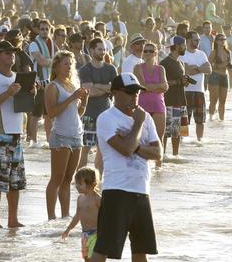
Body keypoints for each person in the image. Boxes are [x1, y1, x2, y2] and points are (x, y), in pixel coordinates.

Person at [92, 73, 162, 261]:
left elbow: (158, 154)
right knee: (104, 248)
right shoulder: (107, 118)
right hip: (117, 190)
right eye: (130, 91)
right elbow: (124, 149)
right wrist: (137, 125)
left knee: (141, 249)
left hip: (141, 190)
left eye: (137, 92)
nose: (135, 96)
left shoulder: (146, 117)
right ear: (115, 93)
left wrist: (136, 145)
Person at [0, 40, 28, 228]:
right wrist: (8, 93)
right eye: (7, 52)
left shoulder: (18, 76)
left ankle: (12, 218)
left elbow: (24, 108)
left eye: (13, 52)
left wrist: (28, 94)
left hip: (16, 131)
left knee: (15, 180)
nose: (12, 55)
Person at [45, 51, 89, 220]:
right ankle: (51, 216)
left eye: (71, 63)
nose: (69, 66)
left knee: (69, 179)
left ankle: (65, 215)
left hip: (76, 134)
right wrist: (72, 98)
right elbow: (51, 112)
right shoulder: (52, 87)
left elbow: (79, 113)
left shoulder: (73, 85)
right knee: (57, 177)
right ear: (56, 66)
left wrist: (84, 101)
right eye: (65, 63)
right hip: (61, 135)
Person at [78, 38, 117, 171]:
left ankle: (98, 183)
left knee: (102, 150)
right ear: (92, 50)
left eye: (104, 49)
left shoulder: (111, 69)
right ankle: (79, 180)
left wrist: (98, 85)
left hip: (106, 114)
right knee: (85, 149)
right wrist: (106, 88)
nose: (103, 52)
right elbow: (90, 92)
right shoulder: (85, 70)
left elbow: (115, 90)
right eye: (100, 49)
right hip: (88, 114)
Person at [61, 167, 102, 262]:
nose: (77, 186)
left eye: (80, 184)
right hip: (84, 234)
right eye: (76, 183)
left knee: (94, 258)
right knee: (86, 257)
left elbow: (106, 216)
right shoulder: (80, 199)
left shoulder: (97, 199)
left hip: (96, 233)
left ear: (91, 184)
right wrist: (68, 229)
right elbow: (77, 216)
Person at [160, 36, 189, 162]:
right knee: (166, 132)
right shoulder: (164, 63)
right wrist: (178, 81)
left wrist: (184, 82)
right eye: (183, 45)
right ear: (177, 46)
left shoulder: (181, 62)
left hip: (181, 100)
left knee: (177, 133)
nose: (185, 47)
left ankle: (175, 157)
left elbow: (180, 82)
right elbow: (162, 82)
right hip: (169, 101)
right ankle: (162, 156)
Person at [28, 19, 55, 147]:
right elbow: (41, 61)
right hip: (38, 82)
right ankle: (33, 141)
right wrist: (55, 61)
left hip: (50, 82)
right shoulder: (34, 44)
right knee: (36, 114)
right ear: (38, 30)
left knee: (48, 114)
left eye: (47, 29)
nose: (44, 31)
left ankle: (49, 141)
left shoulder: (52, 44)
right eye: (42, 29)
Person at [181, 31, 212, 142]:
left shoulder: (201, 54)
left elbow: (209, 69)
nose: (199, 42)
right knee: (184, 120)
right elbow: (187, 70)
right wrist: (200, 68)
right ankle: (182, 141)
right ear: (188, 40)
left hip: (200, 91)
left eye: (199, 40)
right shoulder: (182, 54)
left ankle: (199, 141)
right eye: (196, 40)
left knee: (200, 120)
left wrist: (197, 69)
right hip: (185, 91)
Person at [134, 42, 168, 142]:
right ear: (143, 53)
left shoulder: (161, 68)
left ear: (155, 53)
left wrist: (148, 87)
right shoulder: (138, 67)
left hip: (158, 106)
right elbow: (142, 86)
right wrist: (158, 87)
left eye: (151, 51)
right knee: (141, 139)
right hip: (142, 106)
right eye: (145, 51)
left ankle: (159, 158)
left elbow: (165, 87)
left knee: (158, 139)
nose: (148, 53)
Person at [207, 33, 232, 121]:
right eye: (221, 39)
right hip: (214, 75)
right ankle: (210, 118)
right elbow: (208, 66)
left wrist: (231, 80)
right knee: (214, 99)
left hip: (224, 77)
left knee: (223, 101)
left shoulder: (228, 52)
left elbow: (229, 67)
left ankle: (221, 120)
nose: (223, 41)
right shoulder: (214, 52)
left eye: (224, 39)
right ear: (217, 41)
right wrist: (220, 65)